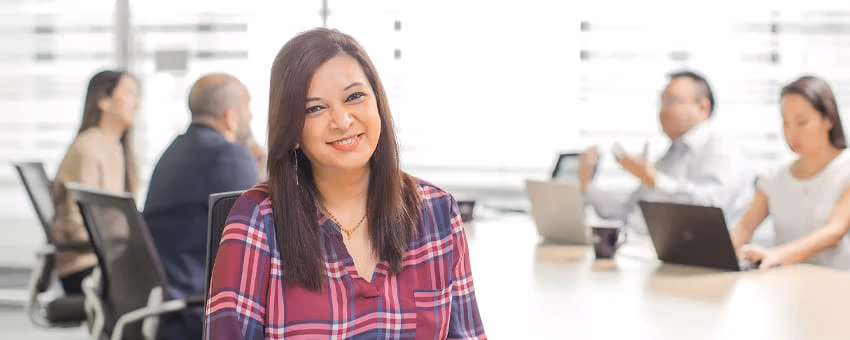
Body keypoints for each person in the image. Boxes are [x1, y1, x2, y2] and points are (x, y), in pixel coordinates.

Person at [204, 28, 486, 339]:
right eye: (315, 108)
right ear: (293, 130)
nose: (342, 120)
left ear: (377, 102)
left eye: (354, 97)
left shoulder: (436, 212)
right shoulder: (258, 220)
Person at [143, 73, 258, 339]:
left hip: (165, 300)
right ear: (231, 116)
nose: (250, 117)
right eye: (247, 109)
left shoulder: (174, 150)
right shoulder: (229, 155)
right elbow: (254, 242)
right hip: (192, 308)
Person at [579, 71, 754, 234]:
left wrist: (653, 179)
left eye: (672, 101)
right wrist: (587, 184)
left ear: (703, 107)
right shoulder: (669, 155)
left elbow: (711, 210)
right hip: (639, 250)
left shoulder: (723, 148)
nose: (663, 111)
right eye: (661, 102)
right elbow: (625, 216)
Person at [731, 76, 850, 270]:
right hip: (785, 288)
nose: (791, 132)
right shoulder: (774, 178)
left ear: (828, 119)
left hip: (837, 288)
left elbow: (835, 232)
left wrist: (777, 254)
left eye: (802, 122)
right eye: (786, 123)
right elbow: (743, 228)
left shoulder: (846, 169)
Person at [51, 70, 139, 294]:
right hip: (86, 265)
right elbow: (78, 223)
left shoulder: (115, 147)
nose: (136, 102)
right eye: (129, 93)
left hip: (104, 259)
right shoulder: (88, 148)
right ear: (104, 101)